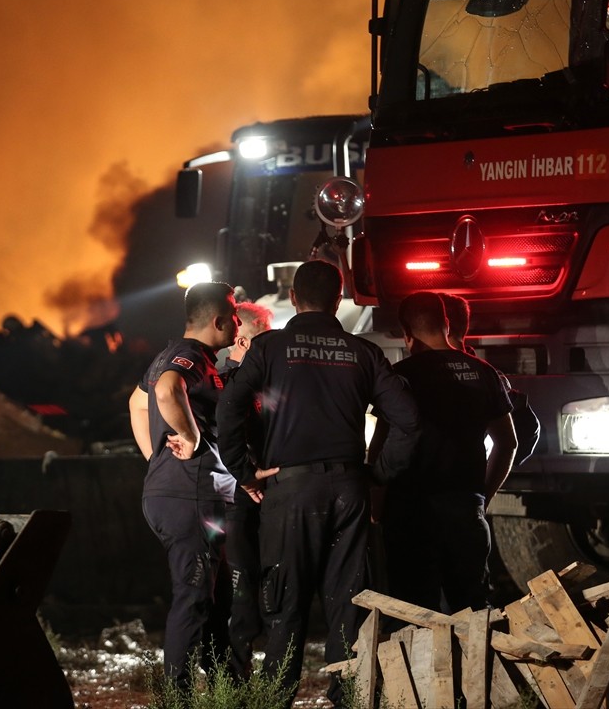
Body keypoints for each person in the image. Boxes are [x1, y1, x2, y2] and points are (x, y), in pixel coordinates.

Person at [216, 260, 420, 708]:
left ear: (293, 297)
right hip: (349, 491)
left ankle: (275, 701)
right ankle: (348, 699)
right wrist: (377, 473)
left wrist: (242, 470)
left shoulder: (269, 348)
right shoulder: (363, 352)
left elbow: (229, 406)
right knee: (349, 606)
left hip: (290, 493)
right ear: (339, 298)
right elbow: (408, 418)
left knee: (285, 606)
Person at [369, 291, 518, 615]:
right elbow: (508, 443)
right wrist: (482, 498)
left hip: (409, 514)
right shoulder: (483, 372)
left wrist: (376, 507)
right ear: (447, 324)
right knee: (472, 612)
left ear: (406, 333)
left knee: (413, 614)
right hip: (465, 509)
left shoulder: (400, 377)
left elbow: (379, 447)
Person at [127, 281, 242, 693]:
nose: (239, 322)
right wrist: (189, 438)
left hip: (178, 492)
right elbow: (164, 390)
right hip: (189, 494)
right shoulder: (191, 356)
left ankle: (227, 688)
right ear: (218, 320)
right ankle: (177, 698)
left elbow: (135, 403)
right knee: (193, 597)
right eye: (234, 315)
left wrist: (153, 457)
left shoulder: (171, 353)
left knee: (212, 599)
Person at [218, 301, 275, 681]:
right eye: (264, 339)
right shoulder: (222, 381)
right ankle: (236, 680)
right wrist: (245, 476)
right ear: (242, 337)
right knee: (239, 593)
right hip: (235, 502)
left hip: (269, 500)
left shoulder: (269, 383)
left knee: (271, 586)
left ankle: (268, 678)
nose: (271, 348)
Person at [440, 292, 541, 465]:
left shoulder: (485, 376)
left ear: (443, 326)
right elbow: (525, 436)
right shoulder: (488, 375)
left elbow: (518, 438)